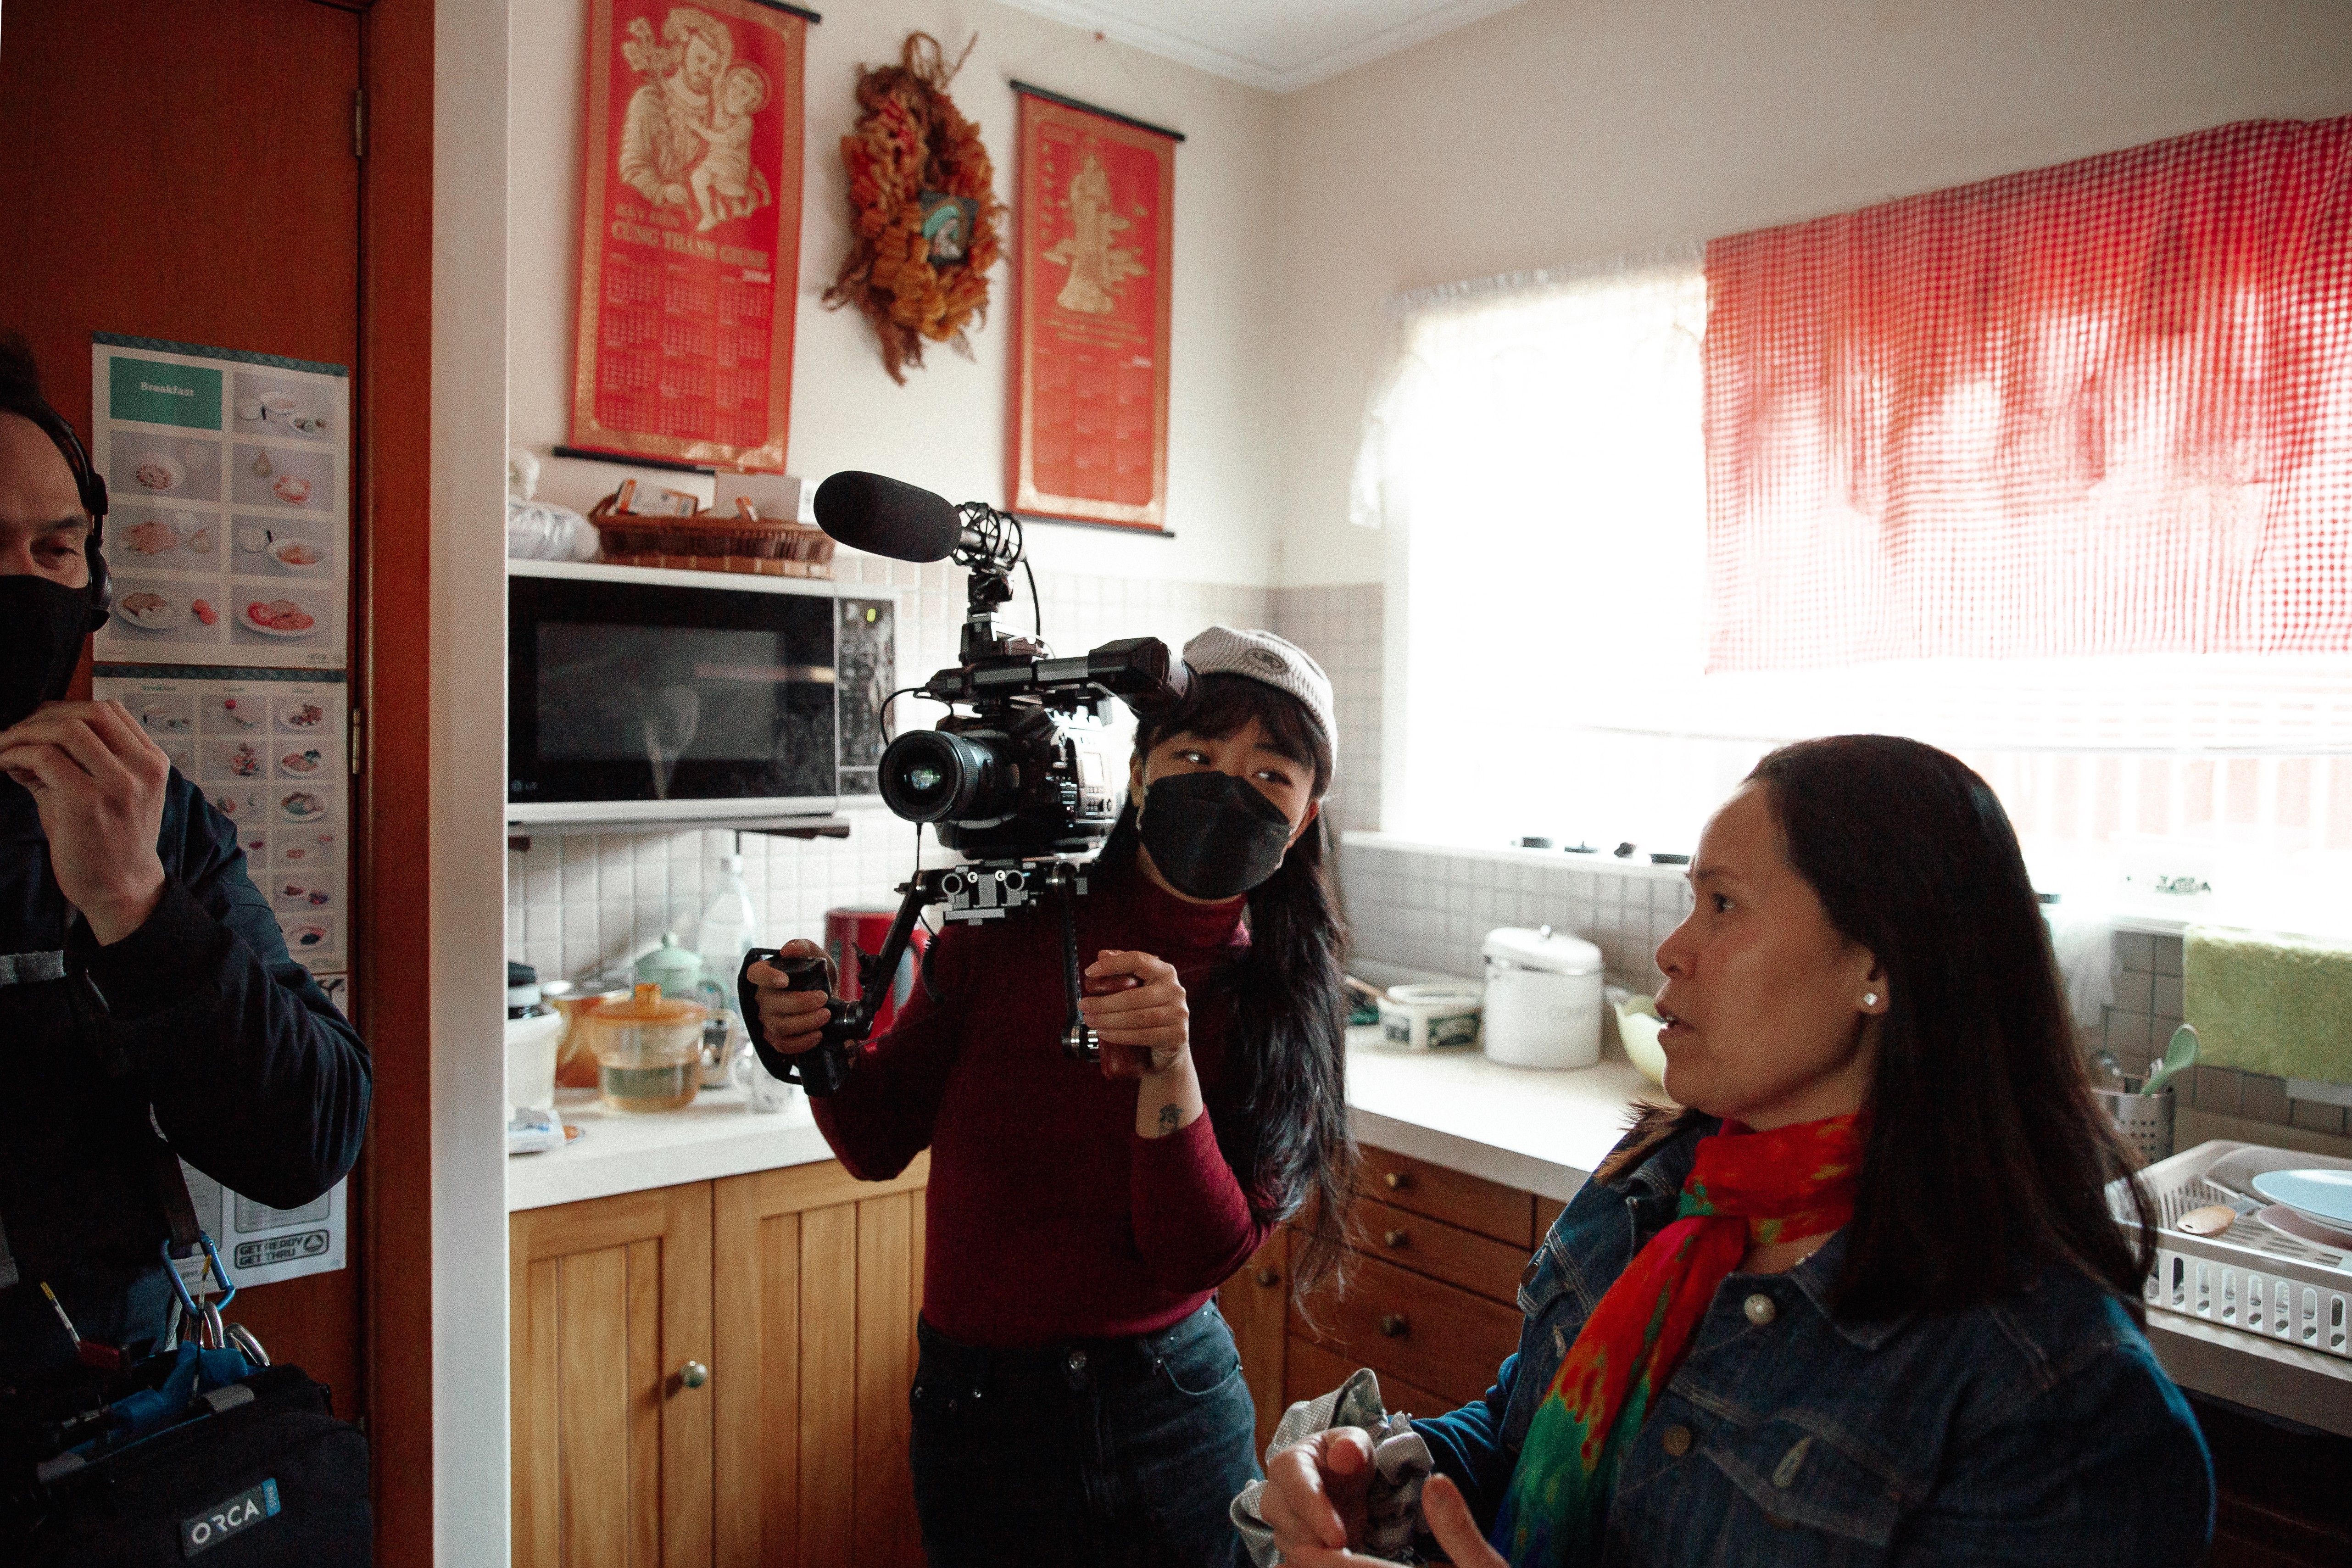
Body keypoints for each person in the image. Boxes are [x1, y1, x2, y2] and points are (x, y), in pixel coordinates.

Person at [1254, 735, 2212, 1567]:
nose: (1672, 948)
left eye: (1723, 904)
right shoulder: (1657, 1192)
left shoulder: (2053, 1399)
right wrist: (1378, 1479)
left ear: (1876, 963)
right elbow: (1525, 1430)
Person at [749, 627, 1354, 1567]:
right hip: (978, 1419)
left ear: (1305, 816)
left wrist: (1171, 1072)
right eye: (1195, 755)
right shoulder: (1011, 925)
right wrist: (812, 1045)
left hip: (1172, 1415)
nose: (1227, 787)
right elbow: (874, 1136)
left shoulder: (1289, 1000)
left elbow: (1198, 1254)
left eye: (1270, 775)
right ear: (1145, 774)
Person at [0, 335, 370, 1394]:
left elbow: (314, 1136)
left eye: (53, 552)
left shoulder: (141, 814)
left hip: (106, 1430)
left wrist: (136, 906)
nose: (18, 586)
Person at [686, 61, 771, 233]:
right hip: (713, 160)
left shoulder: (745, 123)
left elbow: (723, 139)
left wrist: (699, 129)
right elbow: (715, 81)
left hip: (733, 164)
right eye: (734, 86)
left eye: (744, 93)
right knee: (697, 178)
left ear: (752, 102)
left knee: (723, 185)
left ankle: (747, 194)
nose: (736, 94)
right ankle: (709, 215)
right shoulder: (720, 108)